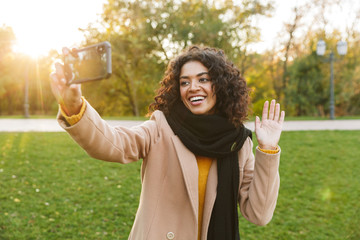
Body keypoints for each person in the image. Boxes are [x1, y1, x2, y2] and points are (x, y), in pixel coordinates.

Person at [50, 45, 285, 240]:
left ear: (221, 85)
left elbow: (259, 214)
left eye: (203, 79)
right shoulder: (162, 126)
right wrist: (74, 106)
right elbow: (115, 144)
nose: (193, 87)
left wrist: (268, 150)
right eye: (185, 82)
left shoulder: (237, 143)